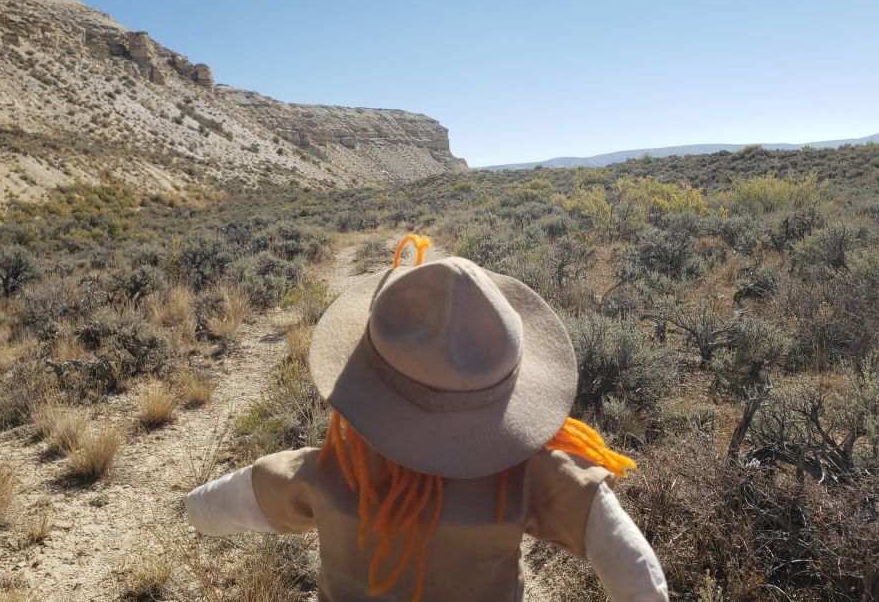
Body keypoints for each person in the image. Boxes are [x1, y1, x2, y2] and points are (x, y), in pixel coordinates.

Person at [185, 236, 668, 602]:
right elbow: (630, 565)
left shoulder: (333, 474)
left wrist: (192, 509)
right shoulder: (525, 477)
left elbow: (213, 509)